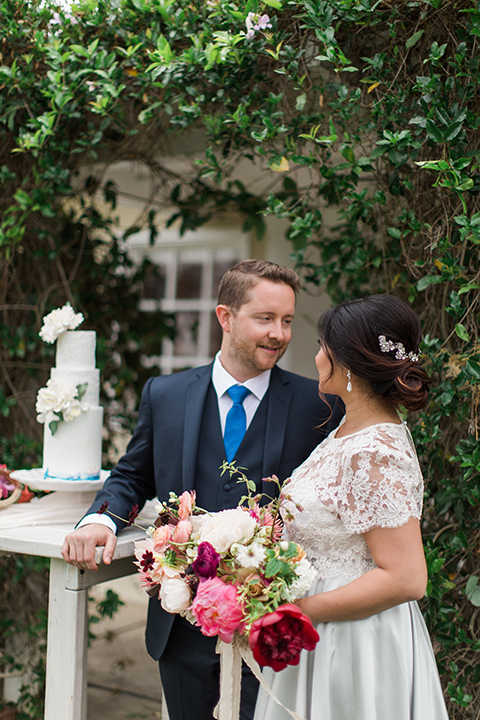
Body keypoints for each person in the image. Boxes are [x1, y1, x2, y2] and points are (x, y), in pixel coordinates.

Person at [61, 259, 344, 720]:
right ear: (225, 317)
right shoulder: (165, 394)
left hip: (269, 624)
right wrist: (100, 519)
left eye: (288, 321)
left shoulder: (318, 404)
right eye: (265, 318)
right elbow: (133, 476)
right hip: (180, 626)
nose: (279, 334)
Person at [254, 294, 449, 720]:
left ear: (348, 362)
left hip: (356, 643)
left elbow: (407, 578)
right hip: (324, 631)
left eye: (324, 345)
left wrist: (299, 611)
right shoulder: (350, 428)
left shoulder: (374, 451)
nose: (317, 355)